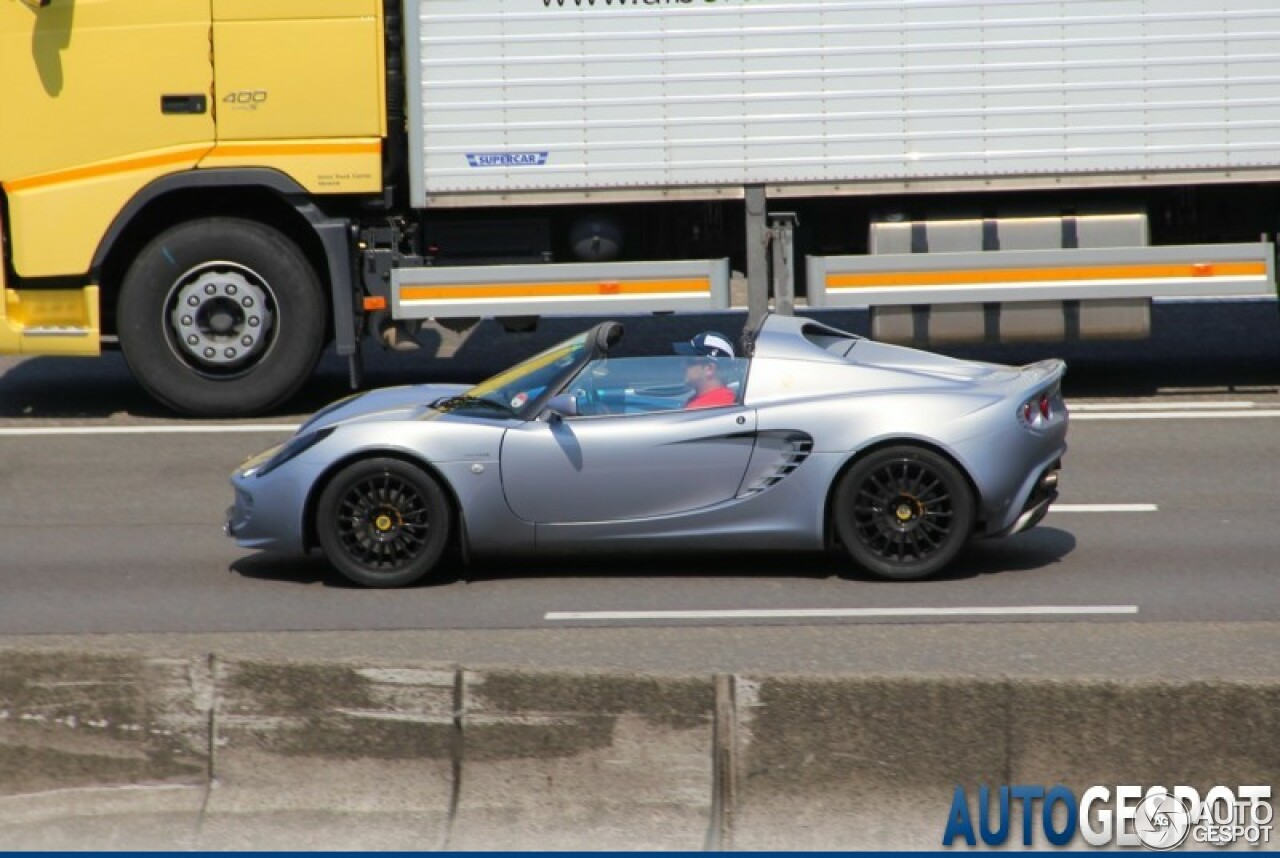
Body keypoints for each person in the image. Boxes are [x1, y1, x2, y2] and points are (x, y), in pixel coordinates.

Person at [672, 331, 737, 409]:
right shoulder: (704, 401)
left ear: (709, 369)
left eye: (689, 361)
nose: (682, 365)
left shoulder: (710, 407)